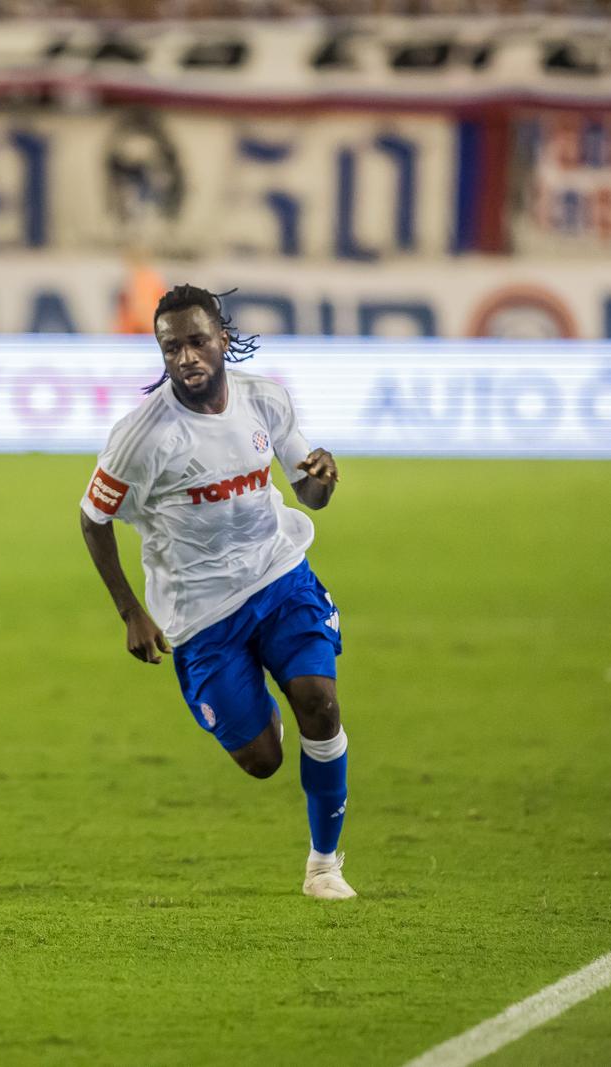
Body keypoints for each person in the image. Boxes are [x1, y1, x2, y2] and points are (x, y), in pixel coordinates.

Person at [78, 284, 356, 900]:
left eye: (197, 341)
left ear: (222, 340)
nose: (186, 357)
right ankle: (261, 722)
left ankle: (325, 864)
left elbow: (305, 489)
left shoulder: (265, 401)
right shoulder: (141, 436)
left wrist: (320, 481)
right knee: (262, 761)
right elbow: (93, 519)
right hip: (201, 614)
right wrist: (131, 611)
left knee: (319, 701)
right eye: (171, 347)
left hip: (280, 576)